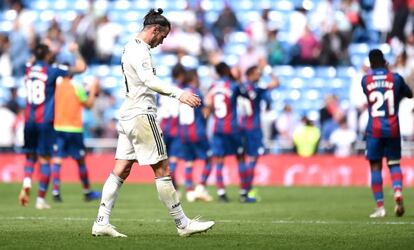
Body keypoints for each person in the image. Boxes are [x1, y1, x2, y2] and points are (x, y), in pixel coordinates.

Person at [91, 9, 214, 238]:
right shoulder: (140, 50)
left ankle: (101, 221)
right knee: (163, 169)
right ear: (155, 30)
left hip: (128, 114)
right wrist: (179, 94)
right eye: (163, 36)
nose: (161, 42)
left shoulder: (130, 47)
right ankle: (182, 224)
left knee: (121, 169)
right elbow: (149, 80)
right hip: (141, 115)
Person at [18, 43, 86, 209]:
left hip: (28, 121)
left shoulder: (28, 69)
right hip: (45, 122)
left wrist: (41, 50)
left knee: (30, 156)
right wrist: (76, 51)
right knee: (45, 160)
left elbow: (31, 59)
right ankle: (40, 199)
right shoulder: (52, 70)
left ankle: (27, 181)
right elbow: (81, 67)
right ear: (47, 56)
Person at [361, 49, 412, 218]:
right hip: (392, 128)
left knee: (375, 166)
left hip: (374, 130)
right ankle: (397, 190)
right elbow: (410, 94)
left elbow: (371, 94)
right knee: (394, 163)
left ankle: (380, 207)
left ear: (370, 63)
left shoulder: (366, 80)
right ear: (384, 62)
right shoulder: (395, 78)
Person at [51, 71, 101, 202]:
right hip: (74, 129)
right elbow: (88, 105)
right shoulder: (76, 86)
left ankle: (55, 191)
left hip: (58, 127)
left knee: (57, 160)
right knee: (80, 160)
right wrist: (93, 88)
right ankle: (87, 191)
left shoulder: (56, 85)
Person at [204, 62, 249, 202]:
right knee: (240, 157)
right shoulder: (234, 86)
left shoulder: (213, 86)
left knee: (219, 160)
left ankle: (221, 192)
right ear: (228, 70)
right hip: (232, 128)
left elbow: (209, 105)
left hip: (217, 127)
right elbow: (246, 94)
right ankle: (243, 194)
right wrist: (238, 78)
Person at [238, 65, 279, 199]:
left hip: (240, 127)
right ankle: (247, 190)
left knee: (242, 159)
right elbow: (276, 83)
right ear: (249, 75)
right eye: (257, 74)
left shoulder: (239, 88)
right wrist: (267, 68)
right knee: (253, 159)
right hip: (253, 128)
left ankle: (244, 189)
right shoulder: (256, 88)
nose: (259, 76)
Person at [177, 69, 213, 202]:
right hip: (197, 131)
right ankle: (201, 187)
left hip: (183, 132)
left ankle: (190, 192)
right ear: (194, 77)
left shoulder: (180, 92)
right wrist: (209, 108)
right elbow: (204, 112)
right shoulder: (195, 92)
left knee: (189, 162)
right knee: (209, 159)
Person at [158, 64, 186, 188]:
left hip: (163, 126)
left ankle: (167, 183)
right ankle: (171, 185)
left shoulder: (164, 88)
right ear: (181, 75)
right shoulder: (181, 89)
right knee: (173, 159)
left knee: (165, 159)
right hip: (175, 127)